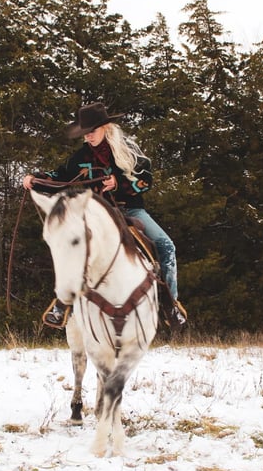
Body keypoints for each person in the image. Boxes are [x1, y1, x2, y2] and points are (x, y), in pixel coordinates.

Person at [23, 102, 187, 329]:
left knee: (165, 245)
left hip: (130, 209)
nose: (89, 137)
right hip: (97, 213)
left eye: (93, 131)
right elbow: (60, 177)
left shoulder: (128, 151)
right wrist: (36, 179)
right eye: (85, 133)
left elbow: (145, 180)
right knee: (72, 246)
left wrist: (118, 183)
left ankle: (170, 305)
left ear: (106, 127)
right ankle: (62, 304)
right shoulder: (80, 157)